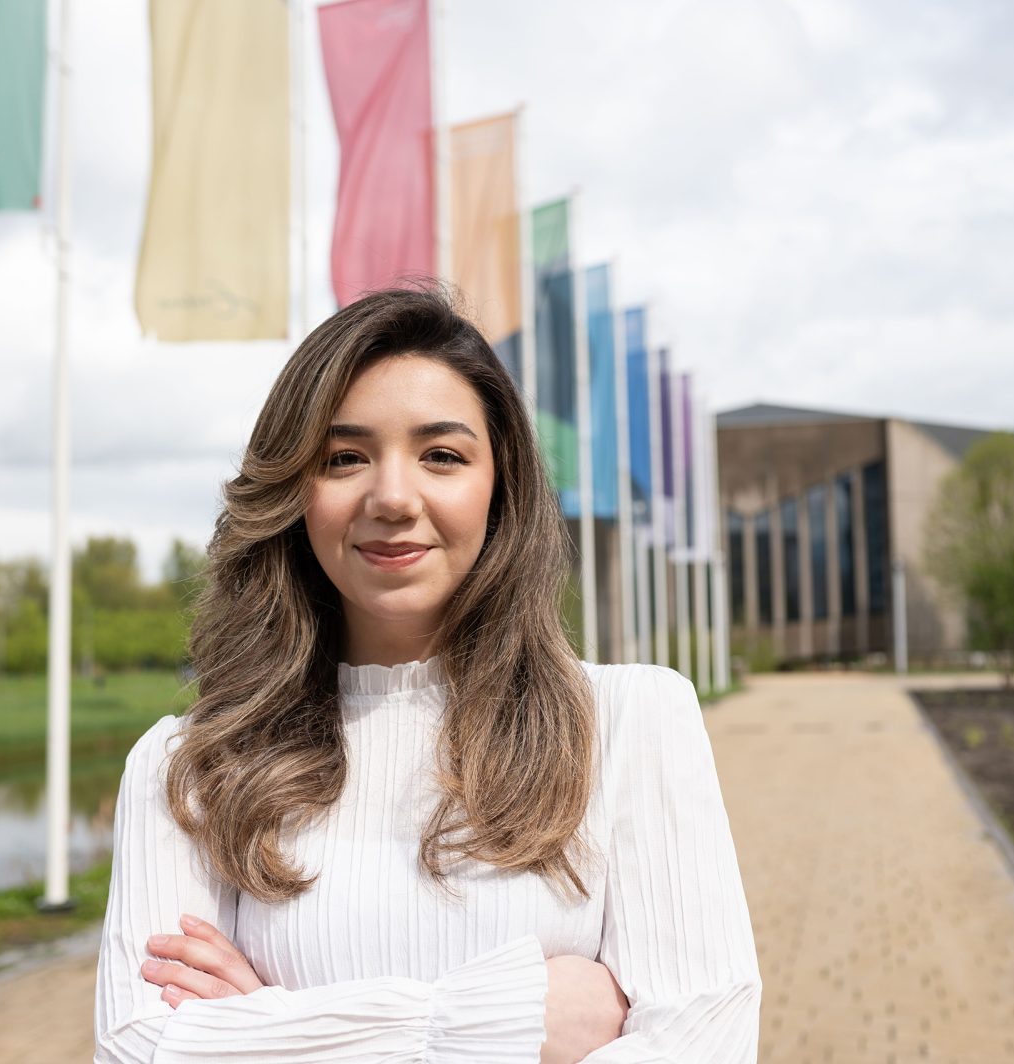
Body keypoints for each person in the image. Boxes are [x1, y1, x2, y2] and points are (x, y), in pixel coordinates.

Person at [94, 287, 761, 1063]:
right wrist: (503, 1020)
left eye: (441, 455)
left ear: (501, 486)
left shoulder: (630, 721)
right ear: (293, 492)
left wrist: (275, 1028)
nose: (392, 498)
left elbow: (706, 1045)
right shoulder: (189, 768)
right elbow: (139, 1051)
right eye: (344, 458)